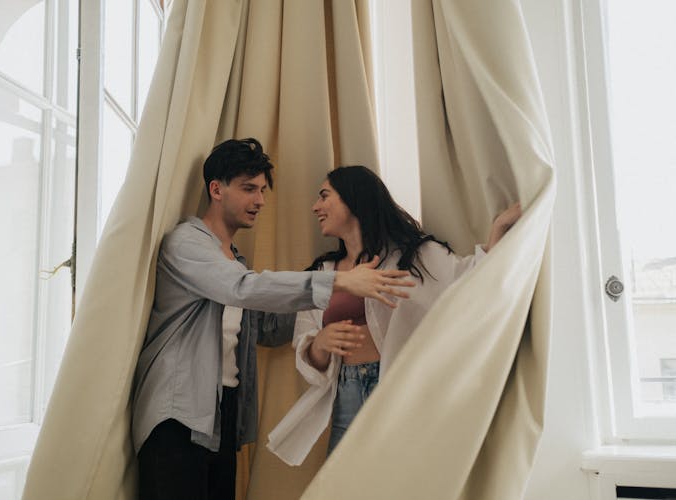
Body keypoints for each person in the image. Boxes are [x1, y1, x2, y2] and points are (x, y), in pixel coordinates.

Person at [131, 140, 415, 500]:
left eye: (262, 190)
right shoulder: (185, 243)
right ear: (216, 190)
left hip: (223, 413)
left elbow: (269, 326)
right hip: (178, 412)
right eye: (249, 189)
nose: (260, 201)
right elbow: (242, 288)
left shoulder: (234, 258)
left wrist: (327, 318)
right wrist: (339, 281)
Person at [267, 165, 521, 465]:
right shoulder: (323, 274)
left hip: (395, 391)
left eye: (324, 196)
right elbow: (309, 358)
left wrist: (499, 229)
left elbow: (473, 284)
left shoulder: (413, 257)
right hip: (346, 393)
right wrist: (320, 343)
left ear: (354, 198)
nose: (315, 206)